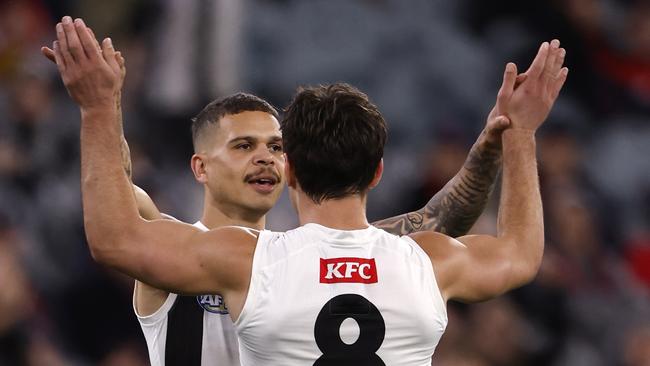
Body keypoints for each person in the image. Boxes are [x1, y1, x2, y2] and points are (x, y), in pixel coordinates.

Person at [49, 16, 567, 365]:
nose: (263, 157)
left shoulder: (250, 260)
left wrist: (97, 106)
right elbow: (511, 250)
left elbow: (113, 233)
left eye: (274, 146)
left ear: (290, 169)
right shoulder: (415, 259)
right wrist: (515, 135)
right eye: (244, 145)